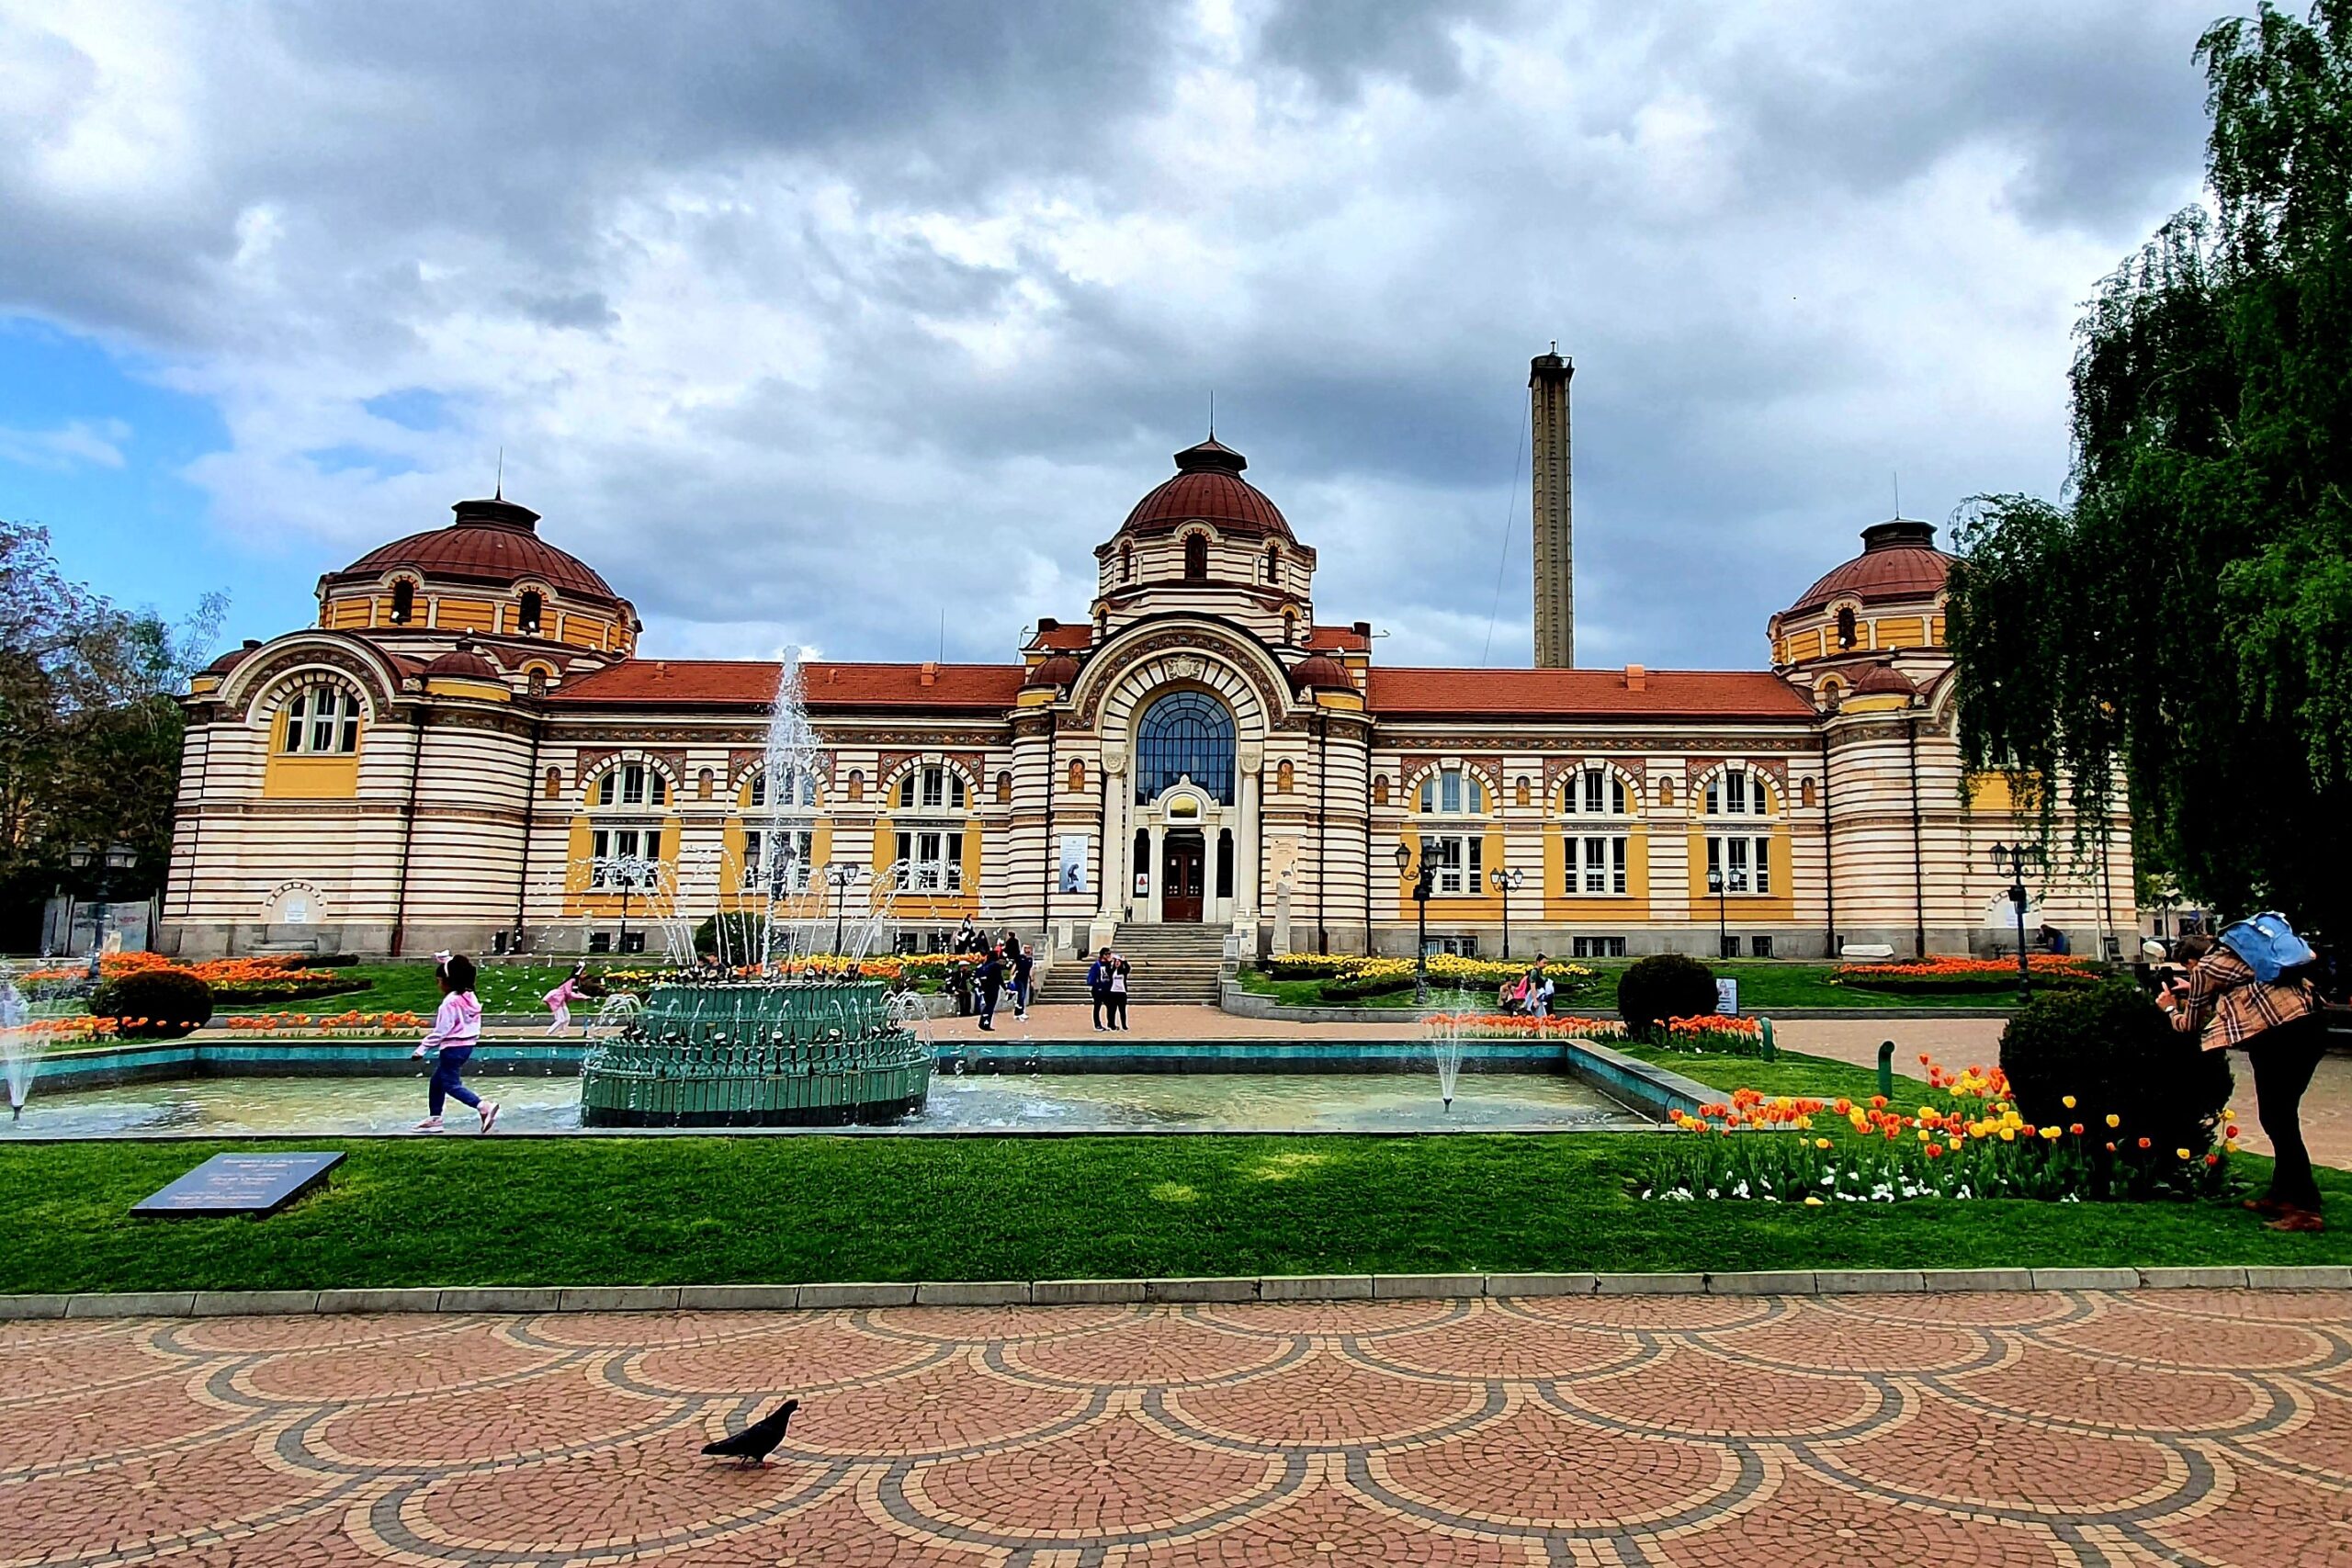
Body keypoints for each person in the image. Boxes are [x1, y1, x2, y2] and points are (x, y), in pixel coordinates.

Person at [2160, 929, 2324, 1231]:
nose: (2190, 973)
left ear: (2194, 960)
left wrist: (2169, 1007)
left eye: (2187, 968)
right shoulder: (2238, 955)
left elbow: (2190, 1024)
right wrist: (2195, 986)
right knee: (2279, 1117)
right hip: (2308, 1026)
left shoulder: (2206, 969)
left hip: (2281, 1038)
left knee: (2280, 1120)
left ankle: (2306, 1208)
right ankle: (2282, 1195)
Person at [413, 953, 499, 1134]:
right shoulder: (470, 997)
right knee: (437, 1081)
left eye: (439, 981)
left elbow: (441, 1031)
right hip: (466, 1045)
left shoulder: (449, 1003)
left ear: (447, 981)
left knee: (451, 1084)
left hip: (452, 1047)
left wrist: (422, 1048)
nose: (438, 985)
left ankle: (483, 1106)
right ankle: (435, 1118)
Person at [543, 960, 586, 1035]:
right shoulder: (571, 981)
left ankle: (562, 1032)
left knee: (567, 1018)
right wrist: (582, 997)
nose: (585, 975)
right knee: (561, 1019)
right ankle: (549, 1033)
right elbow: (570, 993)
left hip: (561, 999)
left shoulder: (574, 982)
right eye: (583, 973)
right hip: (557, 998)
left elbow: (573, 993)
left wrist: (583, 996)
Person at [976, 944, 1004, 1032]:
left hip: (985, 988)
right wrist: (1005, 988)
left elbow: (978, 976)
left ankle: (983, 1021)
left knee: (988, 1005)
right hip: (993, 988)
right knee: (990, 1006)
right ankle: (985, 1023)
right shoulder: (995, 965)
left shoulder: (984, 966)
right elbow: (999, 978)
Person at [1008, 937, 1035, 1020]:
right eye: (1026, 948)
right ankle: (1019, 1012)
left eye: (1029, 948)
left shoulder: (1030, 959)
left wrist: (1032, 980)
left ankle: (1019, 1012)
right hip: (1018, 978)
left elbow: (1031, 970)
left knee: (1022, 996)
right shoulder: (1020, 958)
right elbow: (1014, 967)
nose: (1028, 950)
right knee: (1021, 995)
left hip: (1025, 979)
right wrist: (1011, 977)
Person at [1087, 947, 1113, 1030]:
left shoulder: (1110, 964)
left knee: (1110, 1006)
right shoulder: (1097, 965)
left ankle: (1111, 1023)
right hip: (1098, 989)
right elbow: (1092, 977)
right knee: (1097, 1007)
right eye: (1106, 954)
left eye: (1109, 954)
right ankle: (1097, 1024)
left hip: (1107, 989)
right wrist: (1096, 985)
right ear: (1102, 955)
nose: (1108, 955)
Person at [1107, 954, 1131, 1030]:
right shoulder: (1112, 971)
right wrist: (1111, 961)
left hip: (1122, 992)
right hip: (1113, 992)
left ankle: (1124, 1025)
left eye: (1118, 962)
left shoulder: (1123, 971)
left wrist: (1124, 961)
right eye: (1116, 962)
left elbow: (1128, 968)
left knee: (1122, 1010)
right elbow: (1107, 970)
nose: (1117, 963)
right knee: (1112, 1010)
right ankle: (1112, 1025)